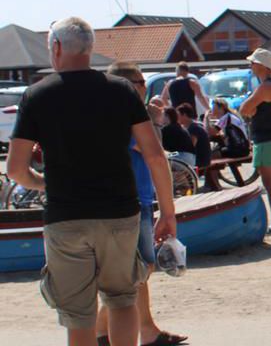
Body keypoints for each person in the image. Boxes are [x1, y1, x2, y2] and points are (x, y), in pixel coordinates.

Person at [8, 17, 176, 346]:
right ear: (89, 48)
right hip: (119, 213)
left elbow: (16, 169)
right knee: (122, 299)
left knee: (78, 315)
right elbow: (155, 156)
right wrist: (168, 213)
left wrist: (44, 183)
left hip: (66, 217)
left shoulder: (37, 96)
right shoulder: (122, 91)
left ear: (56, 48)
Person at [96, 62, 188, 346]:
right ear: (126, 85)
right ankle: (105, 332)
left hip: (137, 200)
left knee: (137, 272)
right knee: (140, 270)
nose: (145, 87)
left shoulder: (114, 115)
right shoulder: (126, 118)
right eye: (139, 82)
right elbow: (155, 152)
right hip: (132, 203)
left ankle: (142, 330)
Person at [239, 48, 271, 234]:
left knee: (270, 182)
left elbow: (244, 108)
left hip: (267, 138)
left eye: (253, 62)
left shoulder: (267, 86)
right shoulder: (269, 83)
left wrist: (252, 110)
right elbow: (248, 108)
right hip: (269, 137)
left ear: (261, 65)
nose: (250, 65)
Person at [177, 105, 211, 169]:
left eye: (178, 115)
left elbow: (190, 147)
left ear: (184, 115)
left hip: (200, 160)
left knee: (172, 162)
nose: (176, 118)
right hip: (201, 159)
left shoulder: (193, 128)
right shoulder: (192, 126)